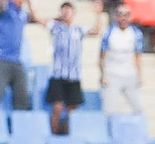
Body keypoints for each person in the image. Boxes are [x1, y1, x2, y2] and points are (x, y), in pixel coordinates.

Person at [39, 2, 97, 135]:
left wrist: (98, 14)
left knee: (72, 108)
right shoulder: (55, 27)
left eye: (68, 11)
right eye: (64, 11)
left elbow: (96, 31)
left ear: (73, 13)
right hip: (58, 74)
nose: (66, 14)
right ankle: (53, 134)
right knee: (57, 107)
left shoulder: (79, 29)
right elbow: (38, 19)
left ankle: (65, 132)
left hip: (74, 75)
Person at [99, 4, 143, 114]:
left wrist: (139, 75)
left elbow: (137, 56)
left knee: (138, 109)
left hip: (129, 74)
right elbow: (102, 56)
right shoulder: (109, 33)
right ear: (116, 16)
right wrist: (103, 75)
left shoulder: (136, 34)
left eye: (126, 15)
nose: (123, 18)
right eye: (120, 15)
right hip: (112, 74)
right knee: (109, 110)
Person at [0, 0, 36, 111]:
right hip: (3, 59)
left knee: (22, 97)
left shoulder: (22, 13)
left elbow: (33, 18)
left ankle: (19, 124)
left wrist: (30, 3)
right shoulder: (6, 8)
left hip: (17, 61)